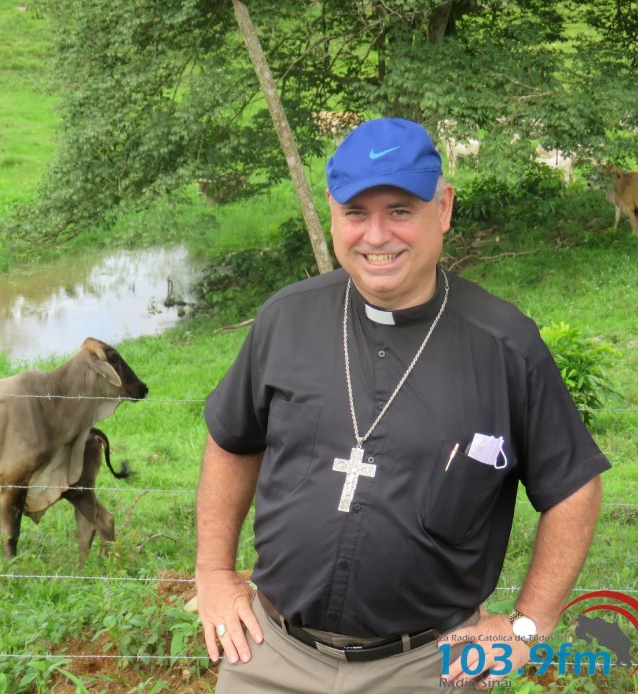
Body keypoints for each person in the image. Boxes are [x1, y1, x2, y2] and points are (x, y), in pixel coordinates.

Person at [194, 117, 609, 692]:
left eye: (400, 211)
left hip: (428, 666)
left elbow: (573, 486)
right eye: (356, 213)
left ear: (443, 208)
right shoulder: (285, 320)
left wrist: (527, 625)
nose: (376, 236)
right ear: (333, 215)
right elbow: (232, 439)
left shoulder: (505, 345)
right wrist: (214, 572)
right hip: (271, 654)